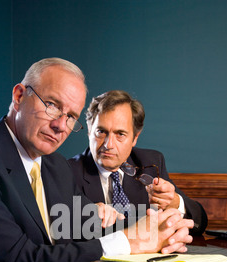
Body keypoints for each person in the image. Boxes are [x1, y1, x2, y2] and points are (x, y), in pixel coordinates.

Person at [0, 59, 193, 262]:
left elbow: (87, 233)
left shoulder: (55, 165)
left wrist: (164, 233)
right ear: (19, 96)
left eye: (70, 116)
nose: (60, 125)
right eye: (51, 105)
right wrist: (133, 240)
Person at [69, 89, 207, 234]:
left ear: (135, 138)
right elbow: (62, 233)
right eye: (101, 132)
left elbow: (199, 223)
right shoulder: (67, 172)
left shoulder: (150, 164)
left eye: (120, 134)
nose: (108, 145)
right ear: (90, 131)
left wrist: (174, 203)